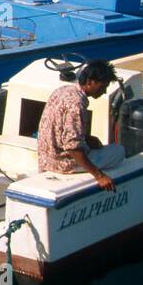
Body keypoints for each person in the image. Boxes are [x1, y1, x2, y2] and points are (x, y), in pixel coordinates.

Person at [36, 59, 125, 191]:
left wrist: (87, 139)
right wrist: (99, 176)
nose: (104, 91)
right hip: (61, 163)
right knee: (119, 151)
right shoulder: (77, 104)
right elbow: (72, 147)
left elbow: (62, 130)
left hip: (45, 158)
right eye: (103, 86)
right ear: (90, 82)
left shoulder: (62, 90)